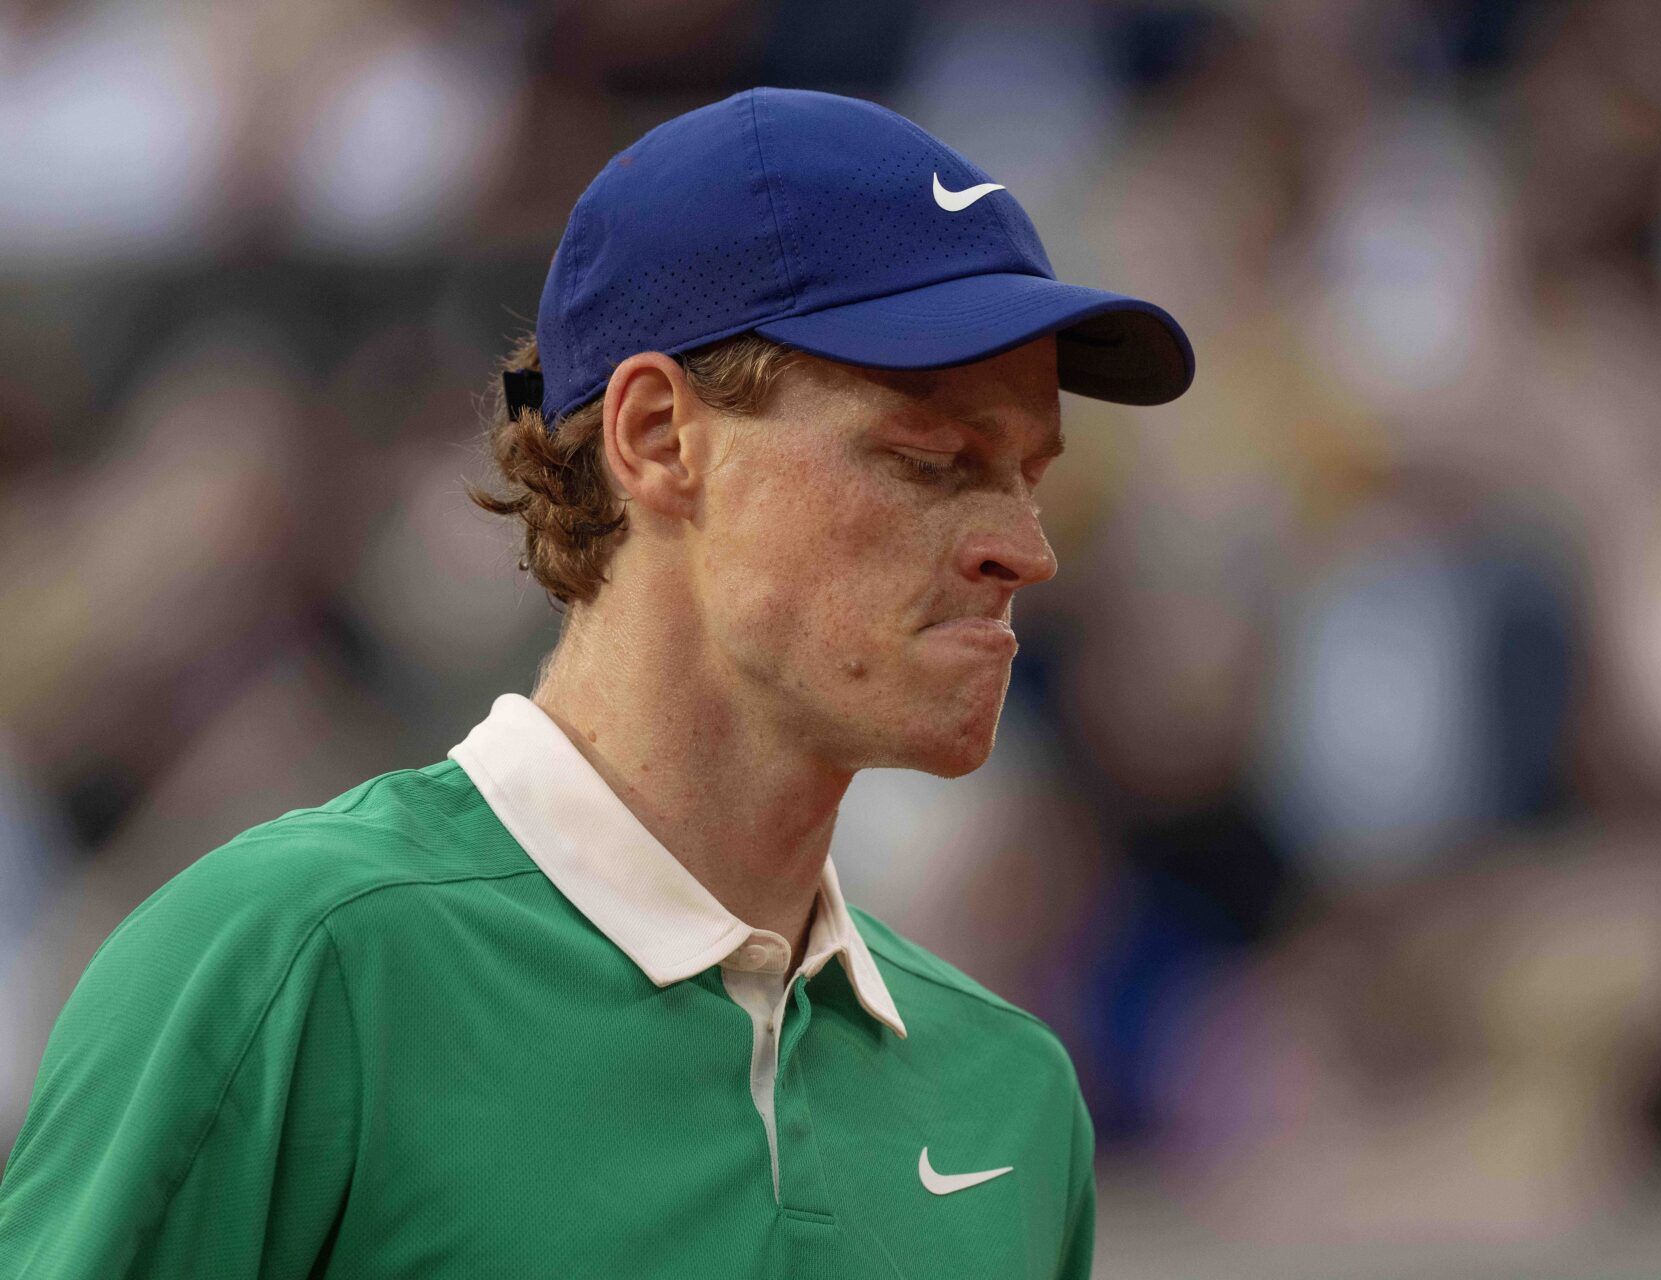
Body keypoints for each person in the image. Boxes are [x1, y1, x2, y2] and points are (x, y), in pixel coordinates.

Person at [0, 87, 1192, 1278]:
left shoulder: (1015, 1096)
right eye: (933, 459)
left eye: (1028, 476)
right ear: (660, 436)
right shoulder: (290, 963)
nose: (1025, 548)